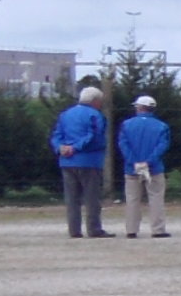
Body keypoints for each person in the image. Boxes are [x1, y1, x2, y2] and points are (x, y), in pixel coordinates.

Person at [50, 84, 109, 238]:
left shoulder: (65, 114)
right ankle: (94, 229)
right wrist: (76, 147)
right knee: (91, 198)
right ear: (95, 101)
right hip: (89, 161)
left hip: (67, 162)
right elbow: (94, 137)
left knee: (71, 199)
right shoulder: (95, 115)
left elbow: (56, 135)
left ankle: (74, 230)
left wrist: (61, 147)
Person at [117, 93, 171, 239]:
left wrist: (134, 161)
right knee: (156, 198)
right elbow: (162, 146)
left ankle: (131, 229)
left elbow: (123, 144)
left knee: (132, 199)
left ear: (139, 108)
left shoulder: (126, 125)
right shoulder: (161, 126)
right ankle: (158, 229)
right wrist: (149, 161)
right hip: (154, 168)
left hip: (131, 168)